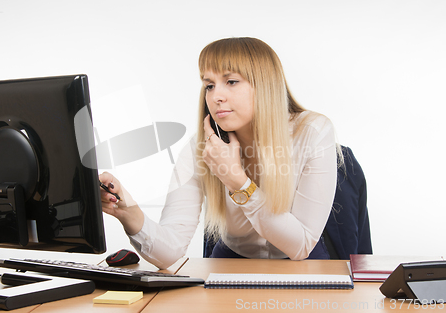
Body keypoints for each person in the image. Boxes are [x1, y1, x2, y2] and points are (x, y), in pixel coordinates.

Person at [100, 37, 337, 269]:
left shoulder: (313, 132)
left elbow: (300, 246)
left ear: (265, 85)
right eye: (209, 85)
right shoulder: (201, 148)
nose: (216, 97)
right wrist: (128, 213)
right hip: (231, 264)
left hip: (304, 264)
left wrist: (238, 182)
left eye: (231, 81)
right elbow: (170, 253)